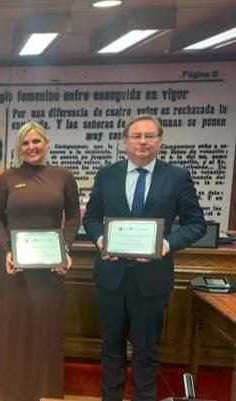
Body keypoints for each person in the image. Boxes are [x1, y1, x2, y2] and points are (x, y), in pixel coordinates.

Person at [83, 115, 206, 401]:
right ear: (125, 141)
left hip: (152, 280)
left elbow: (196, 223)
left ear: (160, 141)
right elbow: (91, 218)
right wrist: (102, 240)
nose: (142, 141)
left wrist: (165, 244)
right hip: (110, 278)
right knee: (111, 349)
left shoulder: (177, 176)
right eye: (136, 136)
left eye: (149, 136)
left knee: (146, 351)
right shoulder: (107, 174)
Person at [0, 121, 81, 401]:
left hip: (50, 266)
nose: (31, 147)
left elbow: (74, 217)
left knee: (45, 327)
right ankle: (12, 389)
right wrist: (7, 250)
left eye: (36, 142)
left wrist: (64, 248)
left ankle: (46, 389)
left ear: (47, 144)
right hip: (15, 266)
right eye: (25, 143)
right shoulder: (6, 178)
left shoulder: (63, 176)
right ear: (19, 148)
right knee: (14, 328)